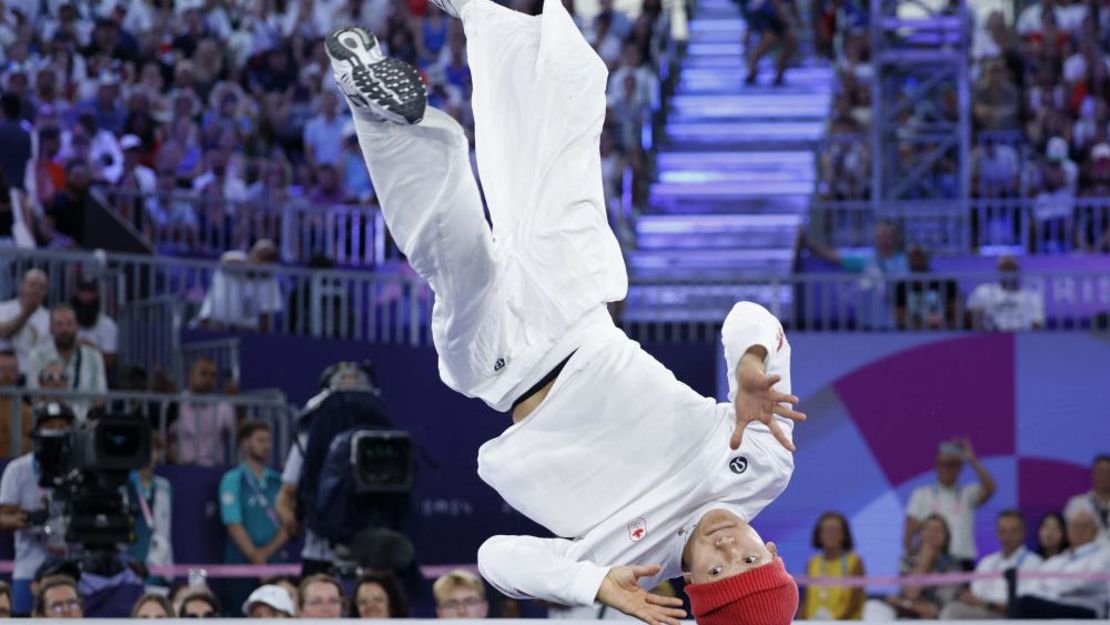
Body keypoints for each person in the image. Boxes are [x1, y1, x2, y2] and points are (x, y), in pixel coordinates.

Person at [326, 10, 805, 624]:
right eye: (746, 560)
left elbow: (494, 556)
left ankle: (380, 108)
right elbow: (749, 315)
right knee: (576, 84)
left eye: (715, 572)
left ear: (689, 584)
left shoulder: (621, 563)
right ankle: (481, 9)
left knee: (454, 243)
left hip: (507, 364)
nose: (723, 550)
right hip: (579, 305)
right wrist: (749, 364)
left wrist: (593, 584)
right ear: (770, 551)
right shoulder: (766, 465)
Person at [0, 402, 74, 615]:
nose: (56, 433)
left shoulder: (81, 468)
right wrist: (26, 519)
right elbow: (3, 517)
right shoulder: (18, 469)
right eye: (50, 426)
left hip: (72, 566)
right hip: (29, 567)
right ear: (36, 434)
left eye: (62, 427)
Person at [219, 421, 288, 613]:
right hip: (241, 566)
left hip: (274, 564)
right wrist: (255, 557)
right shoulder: (233, 479)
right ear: (245, 443)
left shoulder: (278, 480)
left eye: (268, 440)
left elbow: (289, 524)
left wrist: (265, 555)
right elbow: (233, 523)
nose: (266, 445)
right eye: (260, 440)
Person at [904, 439, 996, 568]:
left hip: (963, 561)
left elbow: (990, 487)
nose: (947, 468)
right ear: (936, 465)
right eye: (943, 464)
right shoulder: (921, 494)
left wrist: (971, 459)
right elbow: (908, 536)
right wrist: (912, 563)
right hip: (931, 563)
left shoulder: (968, 493)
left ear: (960, 467)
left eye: (952, 464)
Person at [939, 510, 1042, 619]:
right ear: (997, 533)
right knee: (951, 608)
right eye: (1003, 531)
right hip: (983, 611)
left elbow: (1025, 605)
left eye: (1013, 531)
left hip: (1010, 616)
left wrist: (988, 604)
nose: (1008, 536)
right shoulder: (987, 561)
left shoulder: (1035, 563)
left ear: (1023, 533)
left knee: (953, 612)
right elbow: (974, 594)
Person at [1012, 509, 1110, 618]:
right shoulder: (1058, 560)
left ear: (1095, 531)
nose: (1079, 531)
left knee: (1026, 604)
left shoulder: (1103, 555)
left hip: (1086, 608)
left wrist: (1051, 587)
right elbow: (1034, 586)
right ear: (1067, 531)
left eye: (1084, 526)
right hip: (1056, 605)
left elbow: (1084, 582)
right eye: (1074, 526)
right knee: (1022, 601)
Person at [867, 514, 963, 620]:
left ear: (945, 537)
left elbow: (935, 610)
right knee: (874, 608)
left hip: (934, 619)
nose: (932, 534)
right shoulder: (908, 559)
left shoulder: (953, 565)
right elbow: (910, 594)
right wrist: (923, 562)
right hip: (903, 613)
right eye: (928, 529)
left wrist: (904, 603)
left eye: (938, 530)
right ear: (920, 534)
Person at [26, 303, 108, 421]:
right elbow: (35, 395)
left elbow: (100, 397)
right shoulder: (37, 356)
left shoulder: (94, 356)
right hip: (47, 420)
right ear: (51, 329)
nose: (65, 329)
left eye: (69, 324)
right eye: (59, 325)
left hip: (85, 423)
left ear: (77, 326)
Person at [169, 357, 236, 466]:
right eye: (203, 374)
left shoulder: (223, 406)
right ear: (190, 376)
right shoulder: (175, 404)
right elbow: (165, 438)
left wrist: (237, 405)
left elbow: (237, 434)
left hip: (214, 470)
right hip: (181, 469)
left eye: (213, 375)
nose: (208, 379)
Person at [124, 434, 173, 582]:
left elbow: (163, 530)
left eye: (155, 450)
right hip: (125, 565)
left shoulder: (163, 486)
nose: (150, 455)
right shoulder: (122, 485)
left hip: (156, 569)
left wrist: (152, 565)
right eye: (146, 449)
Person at [801, 512, 864, 620]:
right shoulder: (812, 562)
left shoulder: (855, 562)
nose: (830, 535)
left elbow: (854, 603)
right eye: (826, 531)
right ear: (819, 535)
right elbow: (805, 601)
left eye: (834, 530)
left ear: (844, 534)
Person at [967, 256, 1045, 331]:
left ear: (1018, 270)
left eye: (1012, 268)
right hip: (990, 339)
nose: (1008, 272)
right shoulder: (983, 292)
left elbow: (1037, 324)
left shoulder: (1033, 296)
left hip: (1023, 340)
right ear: (998, 270)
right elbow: (974, 318)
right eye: (1004, 268)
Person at [0, 269, 50, 375]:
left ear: (45, 292)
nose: (35, 290)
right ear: (22, 287)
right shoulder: (3, 309)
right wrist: (26, 313)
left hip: (36, 374)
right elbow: (3, 333)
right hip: (6, 374)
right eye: (32, 285)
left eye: (41, 287)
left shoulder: (49, 317)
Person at [743, 0, 798, 86]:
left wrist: (796, 19)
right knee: (769, 39)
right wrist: (784, 18)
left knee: (790, 43)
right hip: (764, 12)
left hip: (770, 12)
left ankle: (778, 72)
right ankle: (753, 70)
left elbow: (793, 5)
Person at [70, 277, 119, 370]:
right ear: (76, 293)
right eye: (83, 291)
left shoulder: (108, 325)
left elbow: (110, 360)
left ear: (97, 295)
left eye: (90, 292)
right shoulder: (65, 322)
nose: (86, 296)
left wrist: (92, 350)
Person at [1063, 455, 1110, 543]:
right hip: (1086, 554)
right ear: (1093, 473)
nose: (1104, 476)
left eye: (1108, 472)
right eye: (1100, 471)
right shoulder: (1076, 504)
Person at [0, 350, 32, 459]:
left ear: (18, 375)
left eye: (11, 370)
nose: (6, 375)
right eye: (2, 369)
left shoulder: (26, 412)